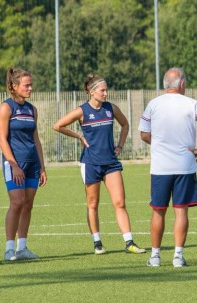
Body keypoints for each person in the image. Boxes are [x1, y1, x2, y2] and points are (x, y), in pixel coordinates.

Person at [53, 74, 145, 255]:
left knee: (120, 202)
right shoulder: (82, 111)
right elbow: (58, 126)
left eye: (106, 89)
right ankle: (97, 243)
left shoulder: (111, 108)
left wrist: (119, 145)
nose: (106, 93)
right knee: (93, 204)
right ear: (91, 91)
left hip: (111, 163)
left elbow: (125, 125)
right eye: (102, 90)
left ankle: (129, 243)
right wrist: (79, 136)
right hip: (91, 163)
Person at [139, 67, 197, 267]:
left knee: (158, 211)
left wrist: (160, 143)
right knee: (181, 211)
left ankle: (155, 257)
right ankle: (177, 256)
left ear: (165, 85)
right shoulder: (192, 103)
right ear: (182, 84)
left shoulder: (153, 104)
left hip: (160, 167)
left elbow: (143, 133)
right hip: (185, 165)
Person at [0, 68, 47, 262]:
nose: (30, 88)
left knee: (28, 204)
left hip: (33, 163)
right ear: (14, 86)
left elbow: (36, 139)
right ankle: (9, 249)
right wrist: (13, 164)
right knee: (16, 202)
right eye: (26, 85)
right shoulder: (6, 108)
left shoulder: (32, 109)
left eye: (30, 84)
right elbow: (2, 139)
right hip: (14, 163)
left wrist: (42, 166)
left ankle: (22, 248)